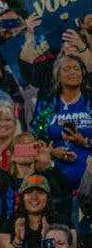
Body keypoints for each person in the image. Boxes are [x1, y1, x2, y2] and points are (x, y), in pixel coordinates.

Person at [31, 54, 92, 189]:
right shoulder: (46, 104)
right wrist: (51, 152)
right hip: (55, 181)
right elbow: (28, 144)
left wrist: (84, 142)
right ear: (58, 76)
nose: (72, 72)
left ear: (82, 74)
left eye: (76, 68)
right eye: (67, 69)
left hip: (89, 180)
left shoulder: (90, 102)